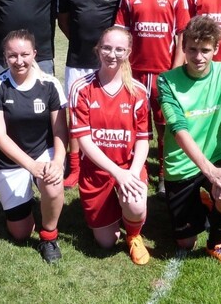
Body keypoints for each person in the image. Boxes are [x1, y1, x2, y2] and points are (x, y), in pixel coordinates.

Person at [157, 15, 221, 276]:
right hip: (182, 164)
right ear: (183, 49)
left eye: (205, 50)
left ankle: (216, 244)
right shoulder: (166, 81)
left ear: (216, 49)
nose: (199, 56)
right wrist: (211, 172)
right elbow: (179, 130)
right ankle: (205, 203)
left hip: (216, 155)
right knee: (185, 242)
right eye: (193, 49)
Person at [69, 27, 151, 265]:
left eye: (119, 49)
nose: (112, 54)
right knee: (106, 242)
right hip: (96, 170)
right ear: (98, 49)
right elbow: (83, 139)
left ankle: (134, 235)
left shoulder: (138, 90)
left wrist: (132, 174)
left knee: (135, 204)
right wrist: (117, 174)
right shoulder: (81, 88)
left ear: (128, 52)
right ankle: (111, 213)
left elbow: (143, 139)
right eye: (106, 47)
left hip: (128, 164)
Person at [114, 0, 190, 197]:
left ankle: (163, 175)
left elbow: (182, 37)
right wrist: (123, 69)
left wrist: (175, 71)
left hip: (163, 73)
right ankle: (137, 170)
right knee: (134, 125)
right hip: (134, 73)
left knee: (165, 125)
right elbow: (121, 36)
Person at [0, 30, 68, 264]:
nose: (19, 61)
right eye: (12, 56)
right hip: (11, 160)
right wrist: (31, 166)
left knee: (52, 185)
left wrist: (57, 162)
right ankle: (26, 202)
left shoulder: (50, 84)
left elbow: (61, 130)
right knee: (20, 233)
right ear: (4, 57)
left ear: (34, 54)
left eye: (25, 54)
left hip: (44, 153)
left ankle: (49, 236)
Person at [58, 0, 131, 188]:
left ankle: (114, 159)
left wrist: (106, 51)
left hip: (110, 61)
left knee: (111, 113)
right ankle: (76, 167)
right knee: (77, 115)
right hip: (77, 60)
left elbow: (125, 21)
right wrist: (82, 43)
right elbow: (63, 20)